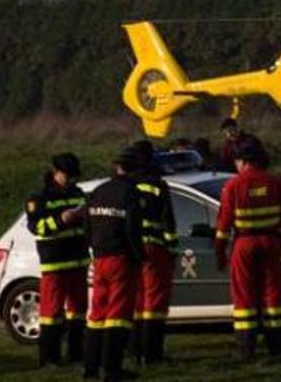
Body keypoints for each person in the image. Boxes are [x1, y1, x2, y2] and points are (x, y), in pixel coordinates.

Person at [214, 143, 281, 360]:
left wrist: (220, 254)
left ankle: (246, 349)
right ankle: (277, 348)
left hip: (244, 245)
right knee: (272, 295)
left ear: (244, 161)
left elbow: (223, 227)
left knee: (244, 297)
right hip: (270, 243)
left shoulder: (233, 185)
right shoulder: (275, 182)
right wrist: (279, 246)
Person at [83, 149, 149, 381]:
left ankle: (90, 367)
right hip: (121, 258)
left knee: (98, 312)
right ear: (134, 170)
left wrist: (94, 248)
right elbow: (133, 230)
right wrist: (139, 256)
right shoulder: (131, 193)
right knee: (118, 314)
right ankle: (112, 368)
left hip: (99, 257)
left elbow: (87, 226)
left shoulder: (98, 191)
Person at [26, 153, 90, 368]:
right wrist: (61, 220)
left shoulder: (78, 193)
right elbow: (37, 228)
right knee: (51, 313)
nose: (71, 180)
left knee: (78, 310)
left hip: (79, 259)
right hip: (55, 261)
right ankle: (49, 357)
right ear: (57, 173)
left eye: (73, 176)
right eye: (68, 176)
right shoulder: (40, 198)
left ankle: (76, 353)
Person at [129, 140, 177, 365]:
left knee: (135, 301)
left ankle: (135, 350)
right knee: (154, 302)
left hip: (130, 249)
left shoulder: (126, 184)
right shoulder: (158, 185)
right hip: (153, 249)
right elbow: (168, 223)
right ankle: (152, 353)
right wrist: (172, 249)